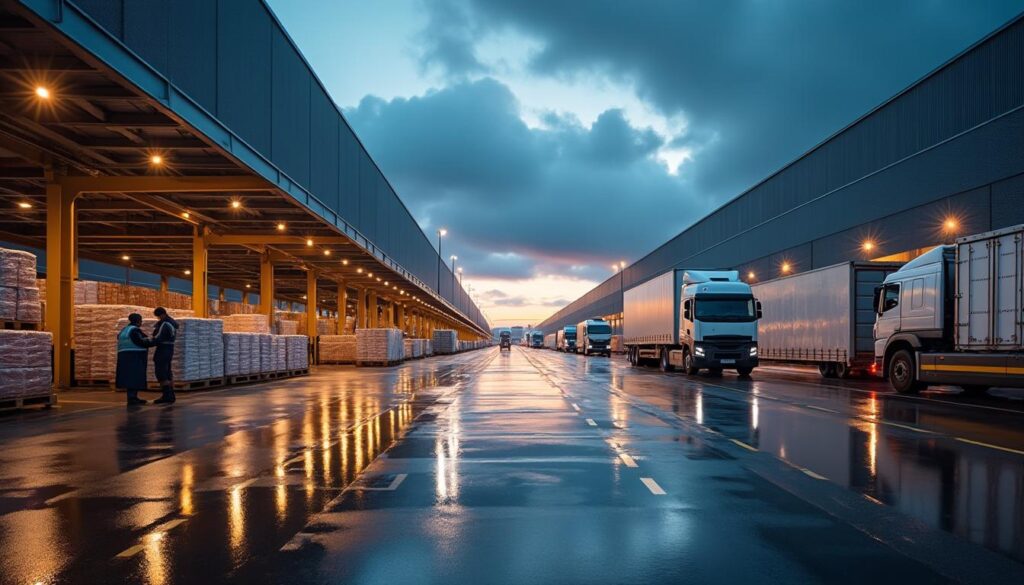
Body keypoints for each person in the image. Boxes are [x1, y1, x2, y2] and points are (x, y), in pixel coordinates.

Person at [115, 313, 151, 406]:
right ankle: (132, 398)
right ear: (138, 321)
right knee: (134, 378)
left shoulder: (124, 330)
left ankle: (132, 397)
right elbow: (141, 341)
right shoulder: (135, 330)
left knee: (129, 378)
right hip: (134, 356)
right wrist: (153, 342)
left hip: (124, 357)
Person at [151, 307, 178, 404]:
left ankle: (167, 395)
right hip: (169, 349)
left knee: (161, 373)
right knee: (167, 372)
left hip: (163, 349)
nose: (158, 319)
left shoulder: (165, 323)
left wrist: (149, 342)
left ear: (161, 315)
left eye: (158, 317)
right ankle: (171, 395)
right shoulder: (172, 322)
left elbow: (158, 337)